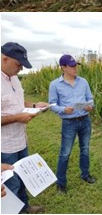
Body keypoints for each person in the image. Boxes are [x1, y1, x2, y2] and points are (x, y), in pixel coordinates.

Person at [1, 42, 48, 214]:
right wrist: (18, 118)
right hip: (4, 145)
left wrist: (35, 105)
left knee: (22, 176)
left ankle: (25, 207)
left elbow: (18, 103)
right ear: (4, 58)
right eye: (18, 64)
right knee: (10, 183)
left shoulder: (14, 78)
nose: (20, 69)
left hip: (21, 139)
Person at [48, 54, 96, 195]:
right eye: (72, 66)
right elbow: (52, 104)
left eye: (76, 65)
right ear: (63, 67)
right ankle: (61, 183)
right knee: (65, 153)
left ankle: (85, 174)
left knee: (85, 149)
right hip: (69, 122)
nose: (75, 68)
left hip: (85, 120)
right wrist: (63, 110)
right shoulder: (55, 84)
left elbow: (90, 99)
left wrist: (90, 106)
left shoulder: (83, 82)